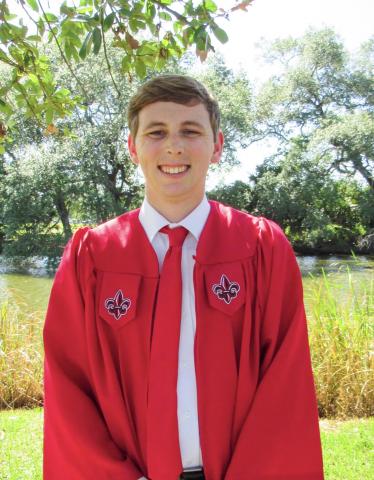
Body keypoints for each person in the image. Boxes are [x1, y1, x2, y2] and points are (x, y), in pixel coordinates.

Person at [43, 75, 324, 480]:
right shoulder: (91, 256)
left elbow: (285, 380)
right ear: (133, 148)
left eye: (190, 130)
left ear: (217, 146)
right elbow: (68, 385)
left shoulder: (261, 248)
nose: (173, 145)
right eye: (156, 132)